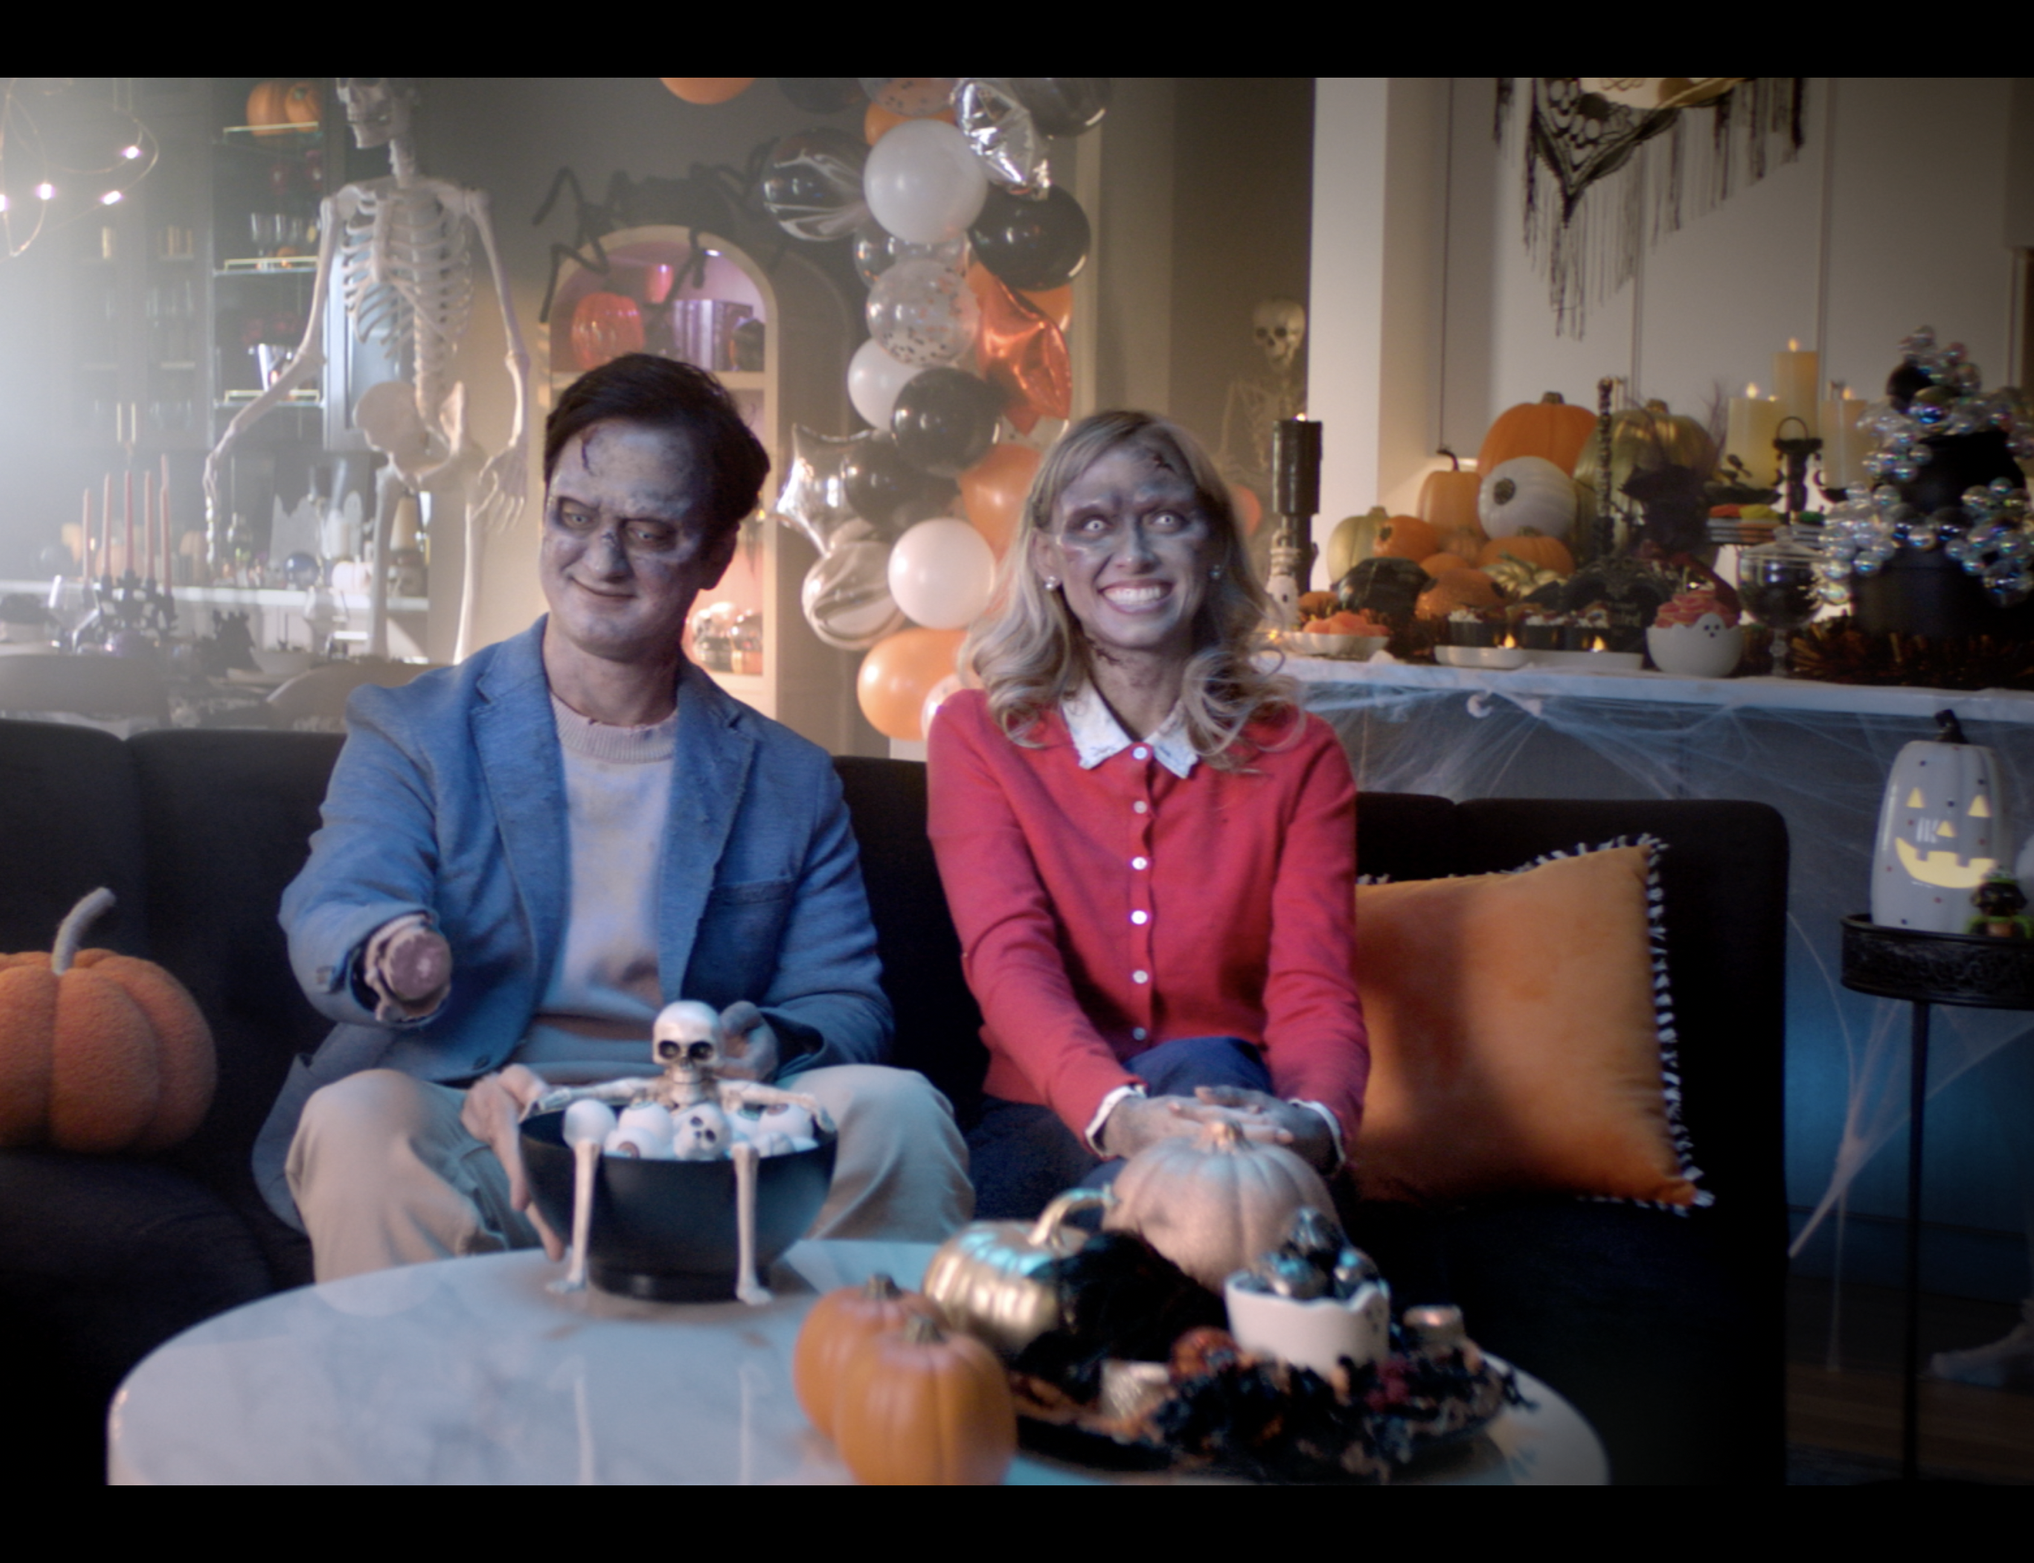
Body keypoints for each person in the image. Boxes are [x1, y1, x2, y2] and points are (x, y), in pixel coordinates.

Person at [258, 353, 971, 1279]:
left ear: (716, 552)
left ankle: (862, 1400)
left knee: (900, 1109)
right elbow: (338, 902)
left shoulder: (787, 779)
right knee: (358, 1122)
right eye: (575, 516)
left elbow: (843, 1001)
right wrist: (391, 952)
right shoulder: (415, 730)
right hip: (482, 1112)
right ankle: (422, 1424)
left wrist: (766, 1044)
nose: (601, 560)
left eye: (648, 530)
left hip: (697, 1134)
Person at [925, 410, 1368, 1220]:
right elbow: (1008, 957)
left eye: (1166, 518)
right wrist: (1118, 1112)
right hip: (1045, 1115)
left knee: (1202, 1151)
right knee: (994, 1292)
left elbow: (1314, 984)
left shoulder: (1300, 755)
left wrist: (1313, 1122)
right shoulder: (977, 735)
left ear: (1213, 546)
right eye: (1092, 525)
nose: (1132, 553)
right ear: (1048, 558)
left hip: (1229, 1109)